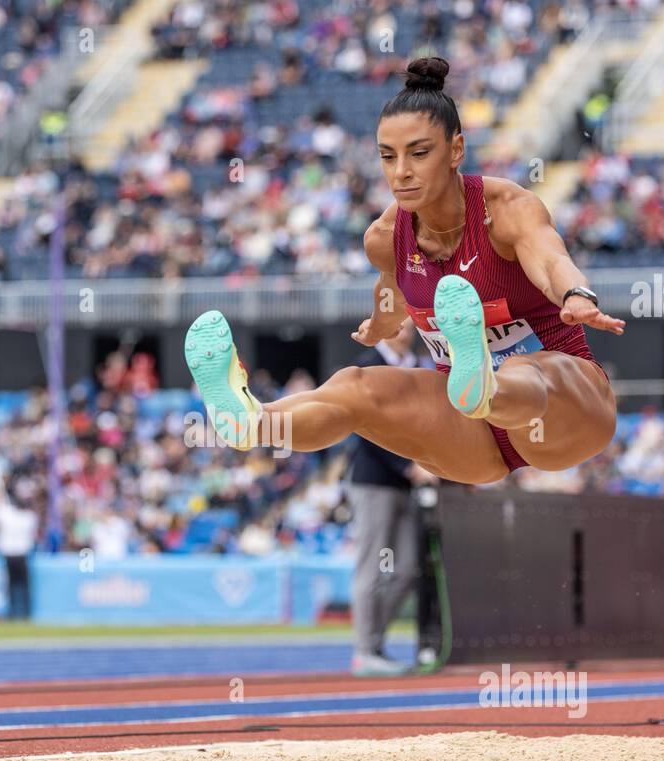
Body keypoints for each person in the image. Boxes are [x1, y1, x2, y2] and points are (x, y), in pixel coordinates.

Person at [184, 55, 620, 494]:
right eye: (388, 157)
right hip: (472, 437)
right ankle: (253, 423)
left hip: (565, 415)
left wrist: (574, 293)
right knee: (354, 387)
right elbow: (392, 297)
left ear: (456, 150)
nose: (401, 172)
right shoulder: (384, 237)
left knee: (530, 371)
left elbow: (549, 261)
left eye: (419, 152)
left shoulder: (506, 210)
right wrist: (380, 324)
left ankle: (487, 384)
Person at [344, 319, 435, 676]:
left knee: (408, 569)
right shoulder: (365, 368)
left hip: (407, 484)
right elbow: (368, 428)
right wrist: (409, 466)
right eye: (396, 324)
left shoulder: (421, 369)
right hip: (374, 482)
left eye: (408, 324)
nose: (404, 330)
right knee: (372, 568)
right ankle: (365, 650)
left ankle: (374, 643)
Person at [0, 489, 39, 620]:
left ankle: (13, 613)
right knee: (23, 586)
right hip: (21, 555)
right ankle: (25, 613)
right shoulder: (29, 517)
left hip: (10, 555)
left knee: (12, 586)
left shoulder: (6, 514)